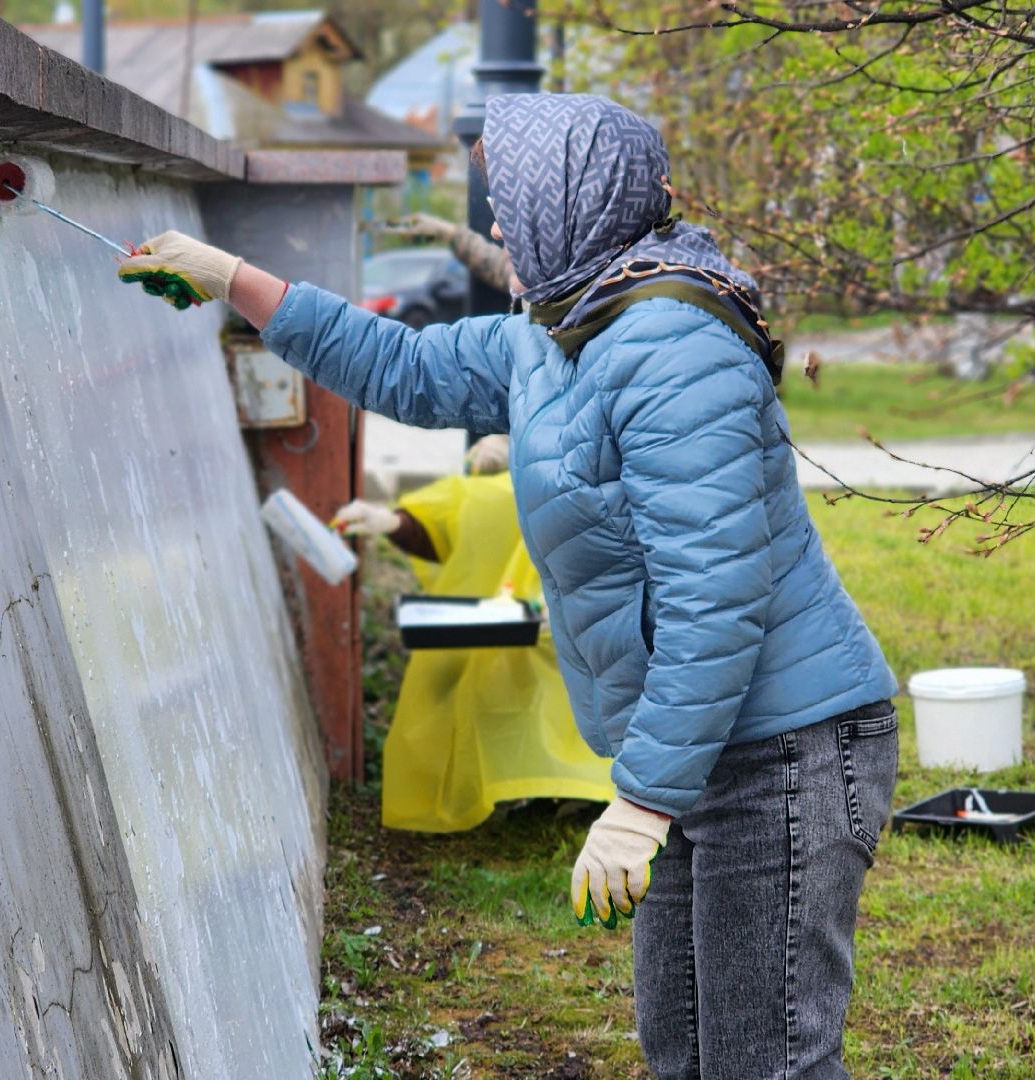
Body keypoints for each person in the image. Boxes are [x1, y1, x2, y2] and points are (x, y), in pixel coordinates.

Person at [119, 93, 899, 1080]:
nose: (493, 224)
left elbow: (713, 601)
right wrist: (235, 280)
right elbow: (403, 364)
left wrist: (640, 805)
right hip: (701, 751)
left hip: (785, 752)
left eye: (510, 202)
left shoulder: (674, 351)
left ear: (568, 207)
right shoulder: (560, 328)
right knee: (686, 1052)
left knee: (764, 1062)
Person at [334, 435, 614, 832]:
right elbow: (439, 524)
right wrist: (389, 521)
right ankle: (550, 793)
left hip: (560, 623)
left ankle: (577, 795)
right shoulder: (478, 493)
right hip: (512, 625)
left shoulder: (574, 477)